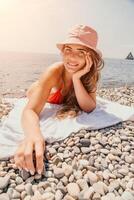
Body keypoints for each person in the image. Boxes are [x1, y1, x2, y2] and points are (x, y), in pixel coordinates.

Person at [14, 24, 104, 175]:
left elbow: (89, 108)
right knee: (32, 92)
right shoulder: (54, 71)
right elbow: (30, 110)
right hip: (37, 90)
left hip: (57, 88)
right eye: (68, 50)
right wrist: (33, 134)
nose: (72, 57)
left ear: (90, 57)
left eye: (81, 52)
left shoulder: (90, 75)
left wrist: (76, 79)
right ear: (62, 52)